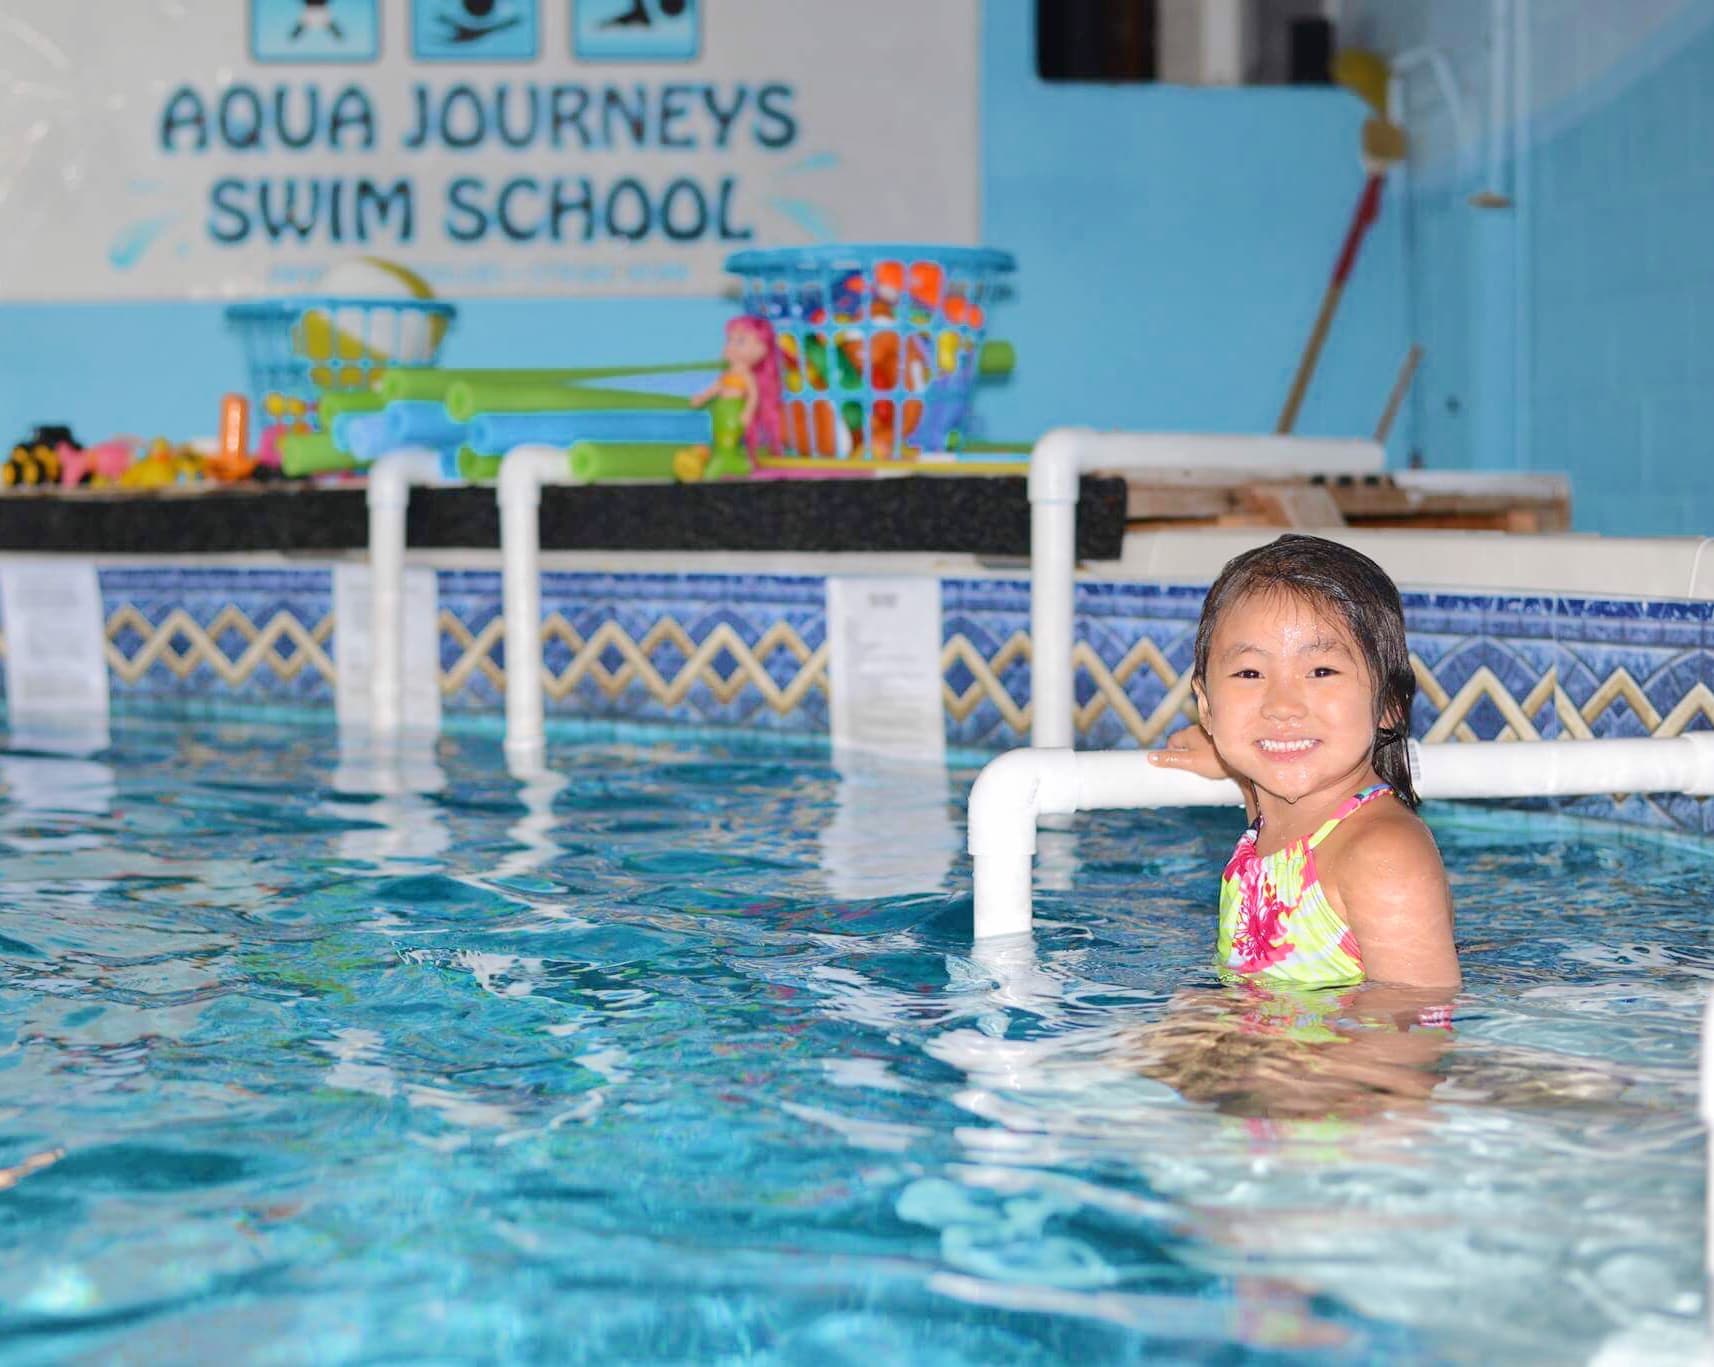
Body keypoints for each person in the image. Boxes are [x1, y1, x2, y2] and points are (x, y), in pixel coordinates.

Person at [1147, 534, 1459, 992]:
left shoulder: (1383, 856)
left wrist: (1262, 1048)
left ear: (1389, 702)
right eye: (1249, 674)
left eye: (1321, 672)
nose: (1282, 706)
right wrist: (1228, 759)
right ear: (1207, 705)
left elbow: (1412, 1030)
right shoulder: (1276, 812)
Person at [681, 315, 784, 479]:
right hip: (722, 408)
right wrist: (702, 397)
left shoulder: (747, 375)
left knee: (728, 436)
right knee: (719, 433)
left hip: (735, 409)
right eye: (730, 340)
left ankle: (727, 461)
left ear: (762, 348)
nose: (731, 346)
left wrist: (748, 412)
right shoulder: (729, 373)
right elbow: (717, 387)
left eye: (741, 341)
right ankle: (732, 460)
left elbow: (753, 395)